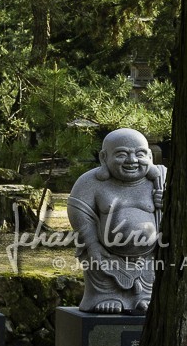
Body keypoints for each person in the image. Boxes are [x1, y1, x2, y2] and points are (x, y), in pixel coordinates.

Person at [66, 128, 165, 313]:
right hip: (106, 254)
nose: (132, 160)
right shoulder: (91, 182)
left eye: (140, 154)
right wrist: (92, 243)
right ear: (104, 158)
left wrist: (167, 201)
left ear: (150, 156)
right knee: (98, 266)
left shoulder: (160, 180)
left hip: (149, 255)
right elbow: (78, 210)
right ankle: (106, 296)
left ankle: (144, 295)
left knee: (153, 272)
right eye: (122, 154)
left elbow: (180, 212)